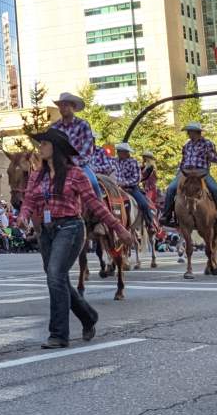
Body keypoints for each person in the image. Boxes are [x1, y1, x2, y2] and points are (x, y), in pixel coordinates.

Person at [19, 129, 134, 349]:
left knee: (54, 275)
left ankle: (58, 334)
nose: (40, 147)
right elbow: (29, 201)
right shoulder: (37, 175)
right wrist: (23, 217)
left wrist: (119, 229)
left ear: (56, 149)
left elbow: (95, 204)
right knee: (58, 278)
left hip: (70, 227)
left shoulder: (76, 174)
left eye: (44, 143)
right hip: (46, 231)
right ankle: (88, 315)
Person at [162, 122, 217, 226]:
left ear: (197, 132)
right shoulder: (187, 145)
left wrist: (209, 154)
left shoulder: (207, 143)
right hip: (185, 172)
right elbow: (183, 161)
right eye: (188, 131)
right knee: (170, 188)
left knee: (215, 189)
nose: (188, 134)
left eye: (190, 131)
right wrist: (179, 171)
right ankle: (167, 215)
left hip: (201, 172)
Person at [50, 92, 104, 197]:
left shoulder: (83, 125)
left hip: (80, 166)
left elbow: (87, 150)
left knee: (93, 183)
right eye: (61, 105)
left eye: (66, 105)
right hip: (57, 167)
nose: (63, 108)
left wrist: (71, 162)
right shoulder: (54, 127)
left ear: (73, 107)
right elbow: (50, 148)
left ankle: (100, 207)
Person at [112, 142, 155, 228]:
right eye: (118, 151)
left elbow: (136, 178)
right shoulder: (114, 161)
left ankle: (149, 222)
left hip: (130, 188)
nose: (118, 153)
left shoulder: (133, 162)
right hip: (115, 186)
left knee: (143, 204)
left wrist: (124, 183)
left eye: (120, 151)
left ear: (126, 152)